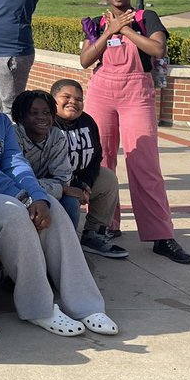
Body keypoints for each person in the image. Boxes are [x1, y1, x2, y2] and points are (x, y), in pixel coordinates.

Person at [0, 56, 118, 337]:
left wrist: (37, 196)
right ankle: (39, 308)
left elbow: (15, 162)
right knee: (14, 213)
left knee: (52, 207)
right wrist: (23, 198)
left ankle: (85, 304)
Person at [80, 0, 190, 264]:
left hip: (136, 93)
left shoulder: (147, 18)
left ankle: (161, 235)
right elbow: (85, 60)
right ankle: (104, 226)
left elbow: (157, 48)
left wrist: (126, 29)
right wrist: (108, 31)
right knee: (100, 162)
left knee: (144, 162)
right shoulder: (95, 23)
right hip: (101, 92)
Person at [50, 79, 128, 259]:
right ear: (53, 99)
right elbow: (47, 166)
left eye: (78, 99)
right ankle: (61, 247)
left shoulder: (87, 121)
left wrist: (85, 183)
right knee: (70, 202)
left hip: (80, 182)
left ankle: (94, 235)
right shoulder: (47, 123)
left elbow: (95, 157)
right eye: (66, 97)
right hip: (55, 185)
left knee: (108, 179)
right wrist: (76, 186)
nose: (73, 102)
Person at [11, 90, 76, 230]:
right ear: (21, 117)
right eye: (34, 113)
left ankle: (73, 246)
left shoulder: (56, 136)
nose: (42, 117)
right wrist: (61, 189)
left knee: (71, 201)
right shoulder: (13, 136)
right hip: (15, 194)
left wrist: (60, 188)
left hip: (46, 190)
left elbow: (63, 179)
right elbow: (16, 182)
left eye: (47, 113)